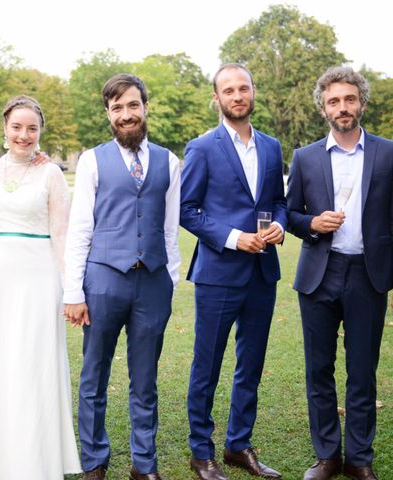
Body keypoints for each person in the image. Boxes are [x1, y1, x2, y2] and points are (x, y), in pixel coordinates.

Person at [0, 95, 81, 479]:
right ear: (5, 128)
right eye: (17, 127)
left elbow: (62, 233)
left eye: (32, 128)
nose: (24, 135)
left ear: (40, 133)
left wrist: (70, 288)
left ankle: (33, 461)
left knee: (32, 364)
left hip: (37, 278)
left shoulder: (51, 173)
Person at [64, 74, 180, 480]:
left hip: (152, 281)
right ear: (108, 115)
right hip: (103, 281)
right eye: (117, 108)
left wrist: (171, 279)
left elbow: (169, 227)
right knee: (94, 375)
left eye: (133, 105)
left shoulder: (169, 161)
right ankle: (94, 460)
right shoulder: (92, 160)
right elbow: (80, 228)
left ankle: (143, 465)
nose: (126, 114)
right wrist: (73, 291)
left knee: (145, 380)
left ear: (145, 106)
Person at [180, 63, 286, 480]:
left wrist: (277, 223)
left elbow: (277, 200)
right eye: (229, 90)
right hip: (218, 273)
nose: (237, 95)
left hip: (262, 272)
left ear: (253, 92)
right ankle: (200, 451)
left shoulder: (273, 146)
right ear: (217, 98)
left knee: (251, 364)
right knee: (206, 365)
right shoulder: (202, 147)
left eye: (243, 88)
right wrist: (232, 237)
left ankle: (238, 445)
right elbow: (187, 211)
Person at [287, 66, 393, 480]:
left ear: (361, 102)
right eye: (334, 101)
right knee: (319, 369)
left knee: (363, 371)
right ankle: (328, 455)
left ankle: (359, 459)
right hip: (319, 273)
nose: (342, 107)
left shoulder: (387, 153)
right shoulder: (306, 157)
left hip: (369, 275)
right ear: (323, 107)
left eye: (349, 99)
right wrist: (312, 224)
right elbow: (290, 212)